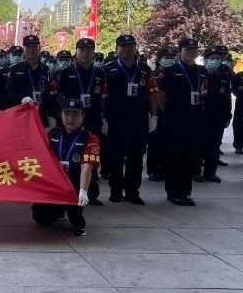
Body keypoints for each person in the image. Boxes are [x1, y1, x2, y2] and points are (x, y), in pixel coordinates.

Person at [100, 34, 156, 205]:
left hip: (139, 119)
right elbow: (103, 96)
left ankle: (133, 192)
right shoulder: (108, 69)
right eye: (123, 46)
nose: (127, 49)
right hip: (115, 120)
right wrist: (103, 117)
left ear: (135, 48)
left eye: (130, 46)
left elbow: (152, 93)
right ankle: (116, 190)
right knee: (115, 157)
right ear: (117, 49)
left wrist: (154, 115)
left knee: (136, 158)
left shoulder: (145, 69)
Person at [32, 99, 99, 236]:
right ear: (61, 115)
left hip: (77, 182)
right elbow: (33, 134)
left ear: (83, 115)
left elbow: (87, 166)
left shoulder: (90, 138)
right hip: (56, 183)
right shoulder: (53, 134)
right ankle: (59, 209)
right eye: (66, 114)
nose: (70, 118)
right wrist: (30, 108)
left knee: (77, 224)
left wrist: (83, 191)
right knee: (40, 217)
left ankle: (75, 215)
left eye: (75, 114)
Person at [155, 38, 207, 205]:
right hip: (175, 120)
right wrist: (167, 112)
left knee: (190, 157)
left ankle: (186, 191)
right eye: (188, 50)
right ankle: (173, 192)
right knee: (175, 157)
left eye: (194, 50)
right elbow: (160, 94)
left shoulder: (201, 71)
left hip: (195, 119)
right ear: (180, 52)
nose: (191, 53)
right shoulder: (170, 71)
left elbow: (204, 90)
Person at [54, 37, 104, 202]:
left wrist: (104, 117)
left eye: (89, 50)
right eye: (82, 50)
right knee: (70, 155)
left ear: (93, 52)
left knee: (91, 157)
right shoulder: (65, 72)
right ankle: (68, 190)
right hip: (71, 121)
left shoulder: (99, 73)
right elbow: (57, 96)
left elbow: (104, 97)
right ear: (76, 52)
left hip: (93, 119)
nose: (85, 53)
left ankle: (91, 193)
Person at [197, 44, 232, 183]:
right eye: (212, 58)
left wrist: (227, 116)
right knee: (199, 145)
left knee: (214, 145)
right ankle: (196, 171)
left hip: (217, 116)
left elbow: (227, 97)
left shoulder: (223, 75)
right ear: (205, 59)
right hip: (200, 115)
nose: (215, 61)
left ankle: (210, 172)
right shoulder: (198, 73)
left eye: (218, 58)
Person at [3, 34, 55, 126]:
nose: (31, 50)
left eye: (34, 47)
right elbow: (9, 94)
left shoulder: (46, 70)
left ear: (39, 49)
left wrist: (51, 115)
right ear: (24, 49)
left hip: (41, 114)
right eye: (28, 47)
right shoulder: (15, 70)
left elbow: (50, 94)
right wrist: (22, 98)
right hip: (21, 114)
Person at [144, 46, 176, 182]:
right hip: (158, 112)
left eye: (171, 57)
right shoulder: (155, 74)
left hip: (172, 113)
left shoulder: (176, 73)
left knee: (168, 143)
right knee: (155, 143)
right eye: (166, 57)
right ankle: (153, 170)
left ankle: (164, 168)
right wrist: (155, 114)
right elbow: (154, 94)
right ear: (159, 59)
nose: (169, 60)